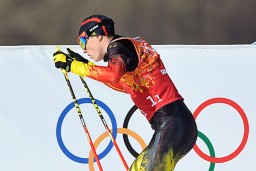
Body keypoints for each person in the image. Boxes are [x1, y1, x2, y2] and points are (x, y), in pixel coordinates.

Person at [53, 14, 197, 171]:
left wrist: (74, 66)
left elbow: (112, 75)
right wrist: (84, 66)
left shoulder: (119, 46)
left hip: (172, 123)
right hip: (173, 125)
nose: (84, 49)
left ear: (98, 36)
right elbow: (121, 84)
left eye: (82, 41)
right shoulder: (124, 49)